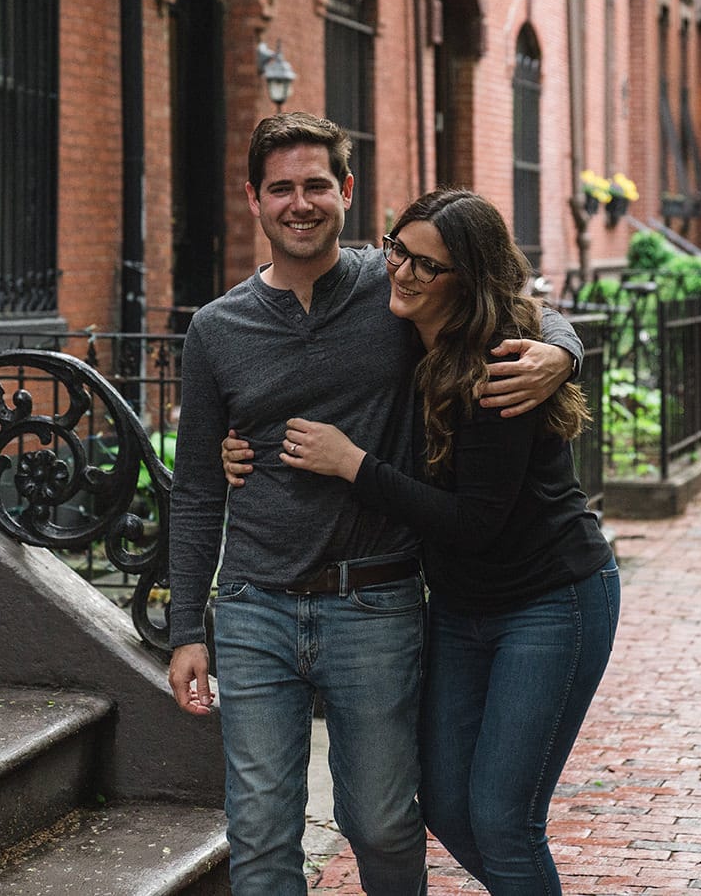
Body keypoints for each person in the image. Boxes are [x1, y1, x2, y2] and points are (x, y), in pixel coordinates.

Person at [165, 113, 581, 896]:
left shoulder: (396, 291)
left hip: (377, 599)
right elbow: (194, 490)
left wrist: (562, 348)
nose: (300, 202)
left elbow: (505, 302)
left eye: (316, 184)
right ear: (252, 198)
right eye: (280, 187)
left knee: (385, 823)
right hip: (254, 604)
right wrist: (188, 625)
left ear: (346, 191)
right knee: (259, 833)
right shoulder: (216, 330)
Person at [263, 188, 619, 895]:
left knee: (502, 818)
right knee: (451, 806)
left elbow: (471, 522)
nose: (403, 273)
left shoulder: (499, 367)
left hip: (550, 600)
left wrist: (352, 464)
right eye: (398, 249)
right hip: (460, 607)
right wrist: (231, 442)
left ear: (470, 279)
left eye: (429, 266)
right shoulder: (397, 314)